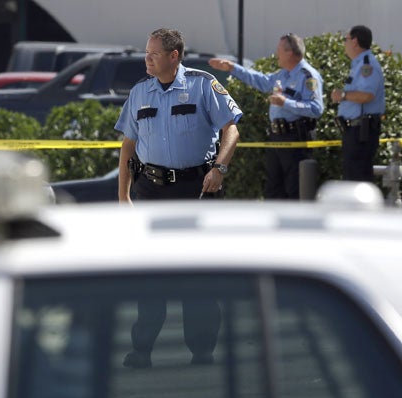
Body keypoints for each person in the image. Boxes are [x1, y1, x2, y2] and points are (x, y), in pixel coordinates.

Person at [115, 28, 242, 369]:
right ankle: (142, 350)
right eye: (146, 53)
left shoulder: (203, 85)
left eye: (153, 54)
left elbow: (232, 127)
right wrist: (123, 195)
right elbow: (128, 145)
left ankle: (201, 350)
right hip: (151, 192)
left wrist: (220, 169)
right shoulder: (140, 92)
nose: (147, 60)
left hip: (197, 191)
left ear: (174, 56)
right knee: (150, 275)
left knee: (198, 273)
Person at [210, 34, 324, 200]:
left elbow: (316, 108)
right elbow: (261, 81)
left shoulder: (308, 76)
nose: (276, 54)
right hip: (276, 137)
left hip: (296, 138)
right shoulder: (283, 74)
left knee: (295, 188)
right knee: (273, 188)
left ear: (290, 53)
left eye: (279, 50)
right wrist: (232, 68)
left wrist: (285, 102)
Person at [331, 25, 386, 183]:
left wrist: (342, 95)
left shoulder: (366, 65)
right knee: (353, 176)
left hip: (361, 131)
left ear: (355, 41)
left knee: (357, 179)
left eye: (345, 39)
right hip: (354, 131)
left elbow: (367, 95)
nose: (344, 44)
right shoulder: (358, 64)